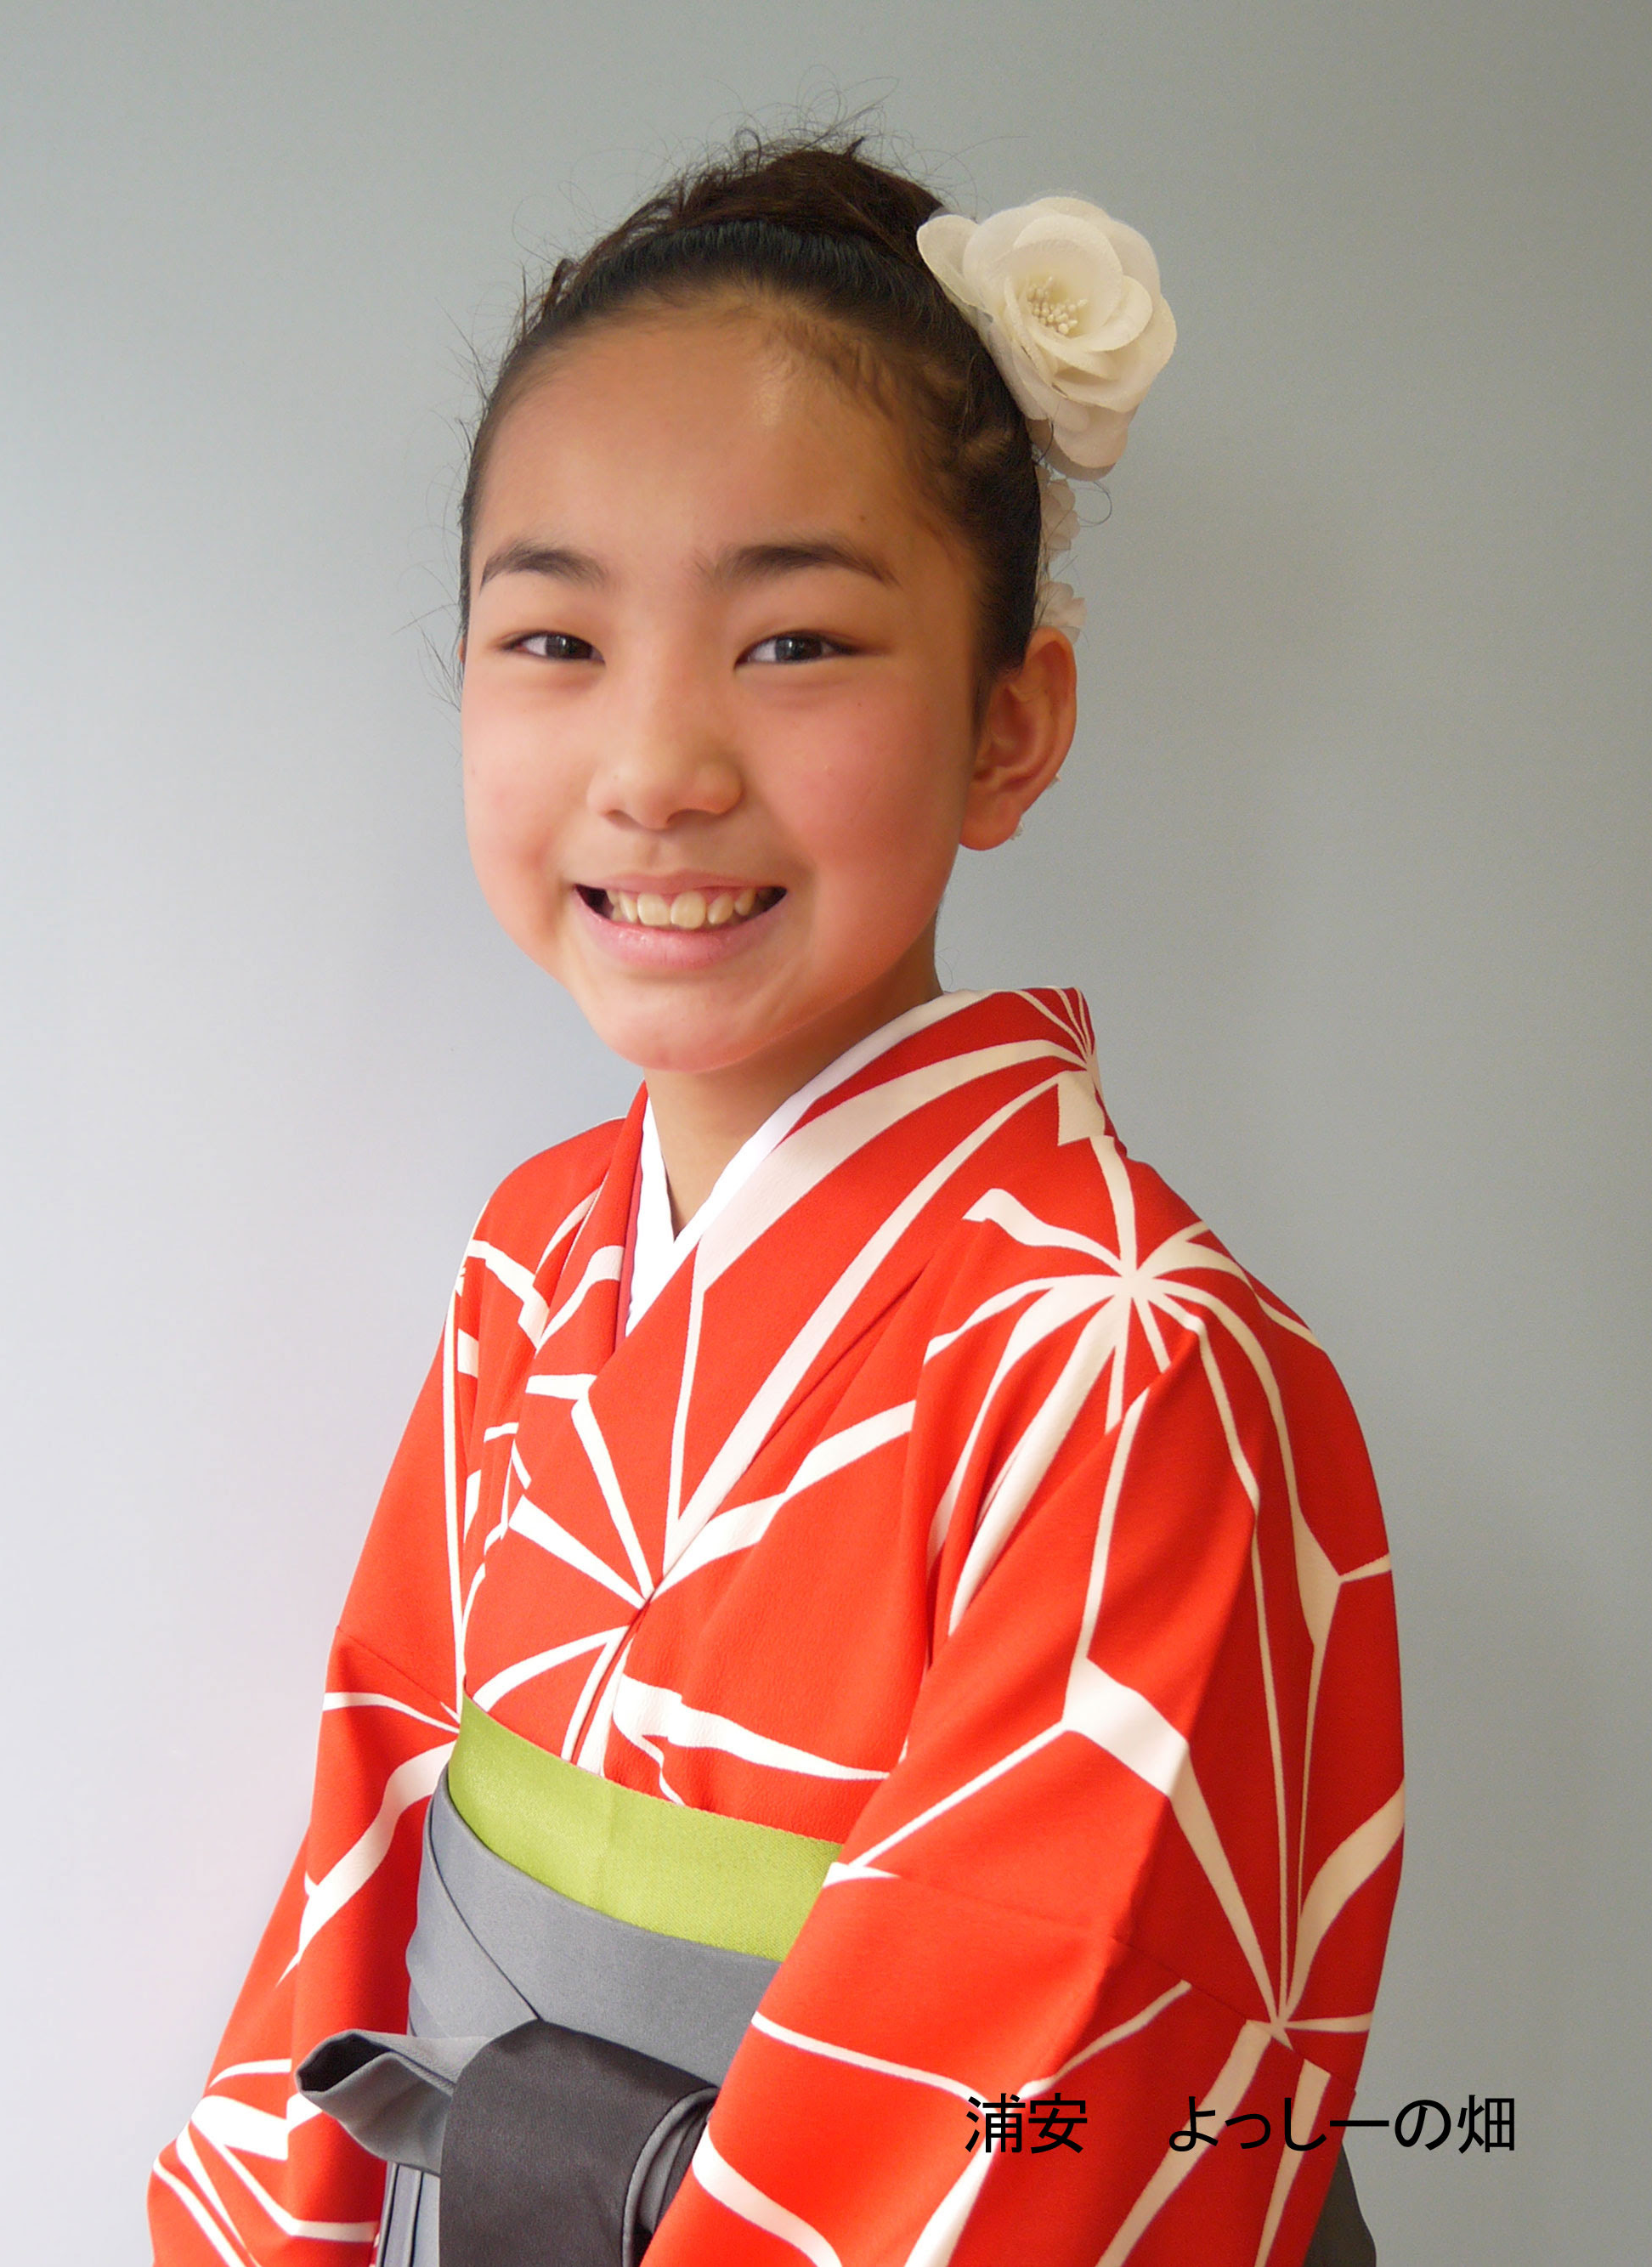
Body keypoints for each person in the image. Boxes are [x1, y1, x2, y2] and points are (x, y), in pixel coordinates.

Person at [148, 132, 1401, 2267]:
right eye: (554, 637)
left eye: (794, 639)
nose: (657, 764)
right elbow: (365, 1845)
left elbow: (1062, 2115)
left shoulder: (1130, 1363)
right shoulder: (534, 1251)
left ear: (1008, 724)